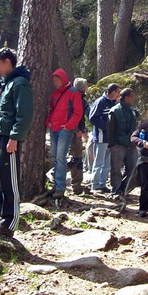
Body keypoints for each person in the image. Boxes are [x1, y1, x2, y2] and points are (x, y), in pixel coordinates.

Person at [0, 48, 33, 237]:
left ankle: (9, 221)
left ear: (7, 62)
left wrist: (14, 137)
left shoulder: (20, 84)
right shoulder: (7, 84)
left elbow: (24, 114)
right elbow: (1, 111)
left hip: (9, 140)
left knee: (8, 180)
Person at [45, 69, 83, 199]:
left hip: (64, 130)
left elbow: (78, 112)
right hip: (54, 128)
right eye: (54, 80)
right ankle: (56, 185)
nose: (55, 82)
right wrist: (48, 122)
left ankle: (60, 188)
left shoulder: (73, 93)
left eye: (58, 80)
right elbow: (50, 109)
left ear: (63, 79)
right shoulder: (54, 93)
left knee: (60, 157)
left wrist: (68, 126)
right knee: (55, 157)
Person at [107, 88, 139, 198]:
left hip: (131, 145)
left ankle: (124, 189)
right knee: (116, 169)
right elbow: (110, 129)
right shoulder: (114, 111)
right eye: (132, 96)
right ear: (125, 97)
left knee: (133, 168)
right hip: (118, 144)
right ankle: (115, 191)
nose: (133, 98)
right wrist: (112, 145)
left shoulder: (133, 111)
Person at [88, 83, 121, 193]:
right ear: (112, 92)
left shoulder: (114, 103)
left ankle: (102, 183)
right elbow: (93, 118)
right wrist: (107, 126)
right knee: (99, 161)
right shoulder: (100, 102)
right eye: (118, 92)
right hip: (101, 137)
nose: (119, 94)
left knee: (107, 162)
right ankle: (95, 184)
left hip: (111, 139)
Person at [68, 78, 90, 195]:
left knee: (78, 157)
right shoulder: (75, 98)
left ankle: (77, 184)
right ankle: (74, 184)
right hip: (74, 132)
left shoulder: (81, 98)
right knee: (76, 157)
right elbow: (74, 115)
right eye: (86, 85)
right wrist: (77, 130)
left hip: (77, 131)